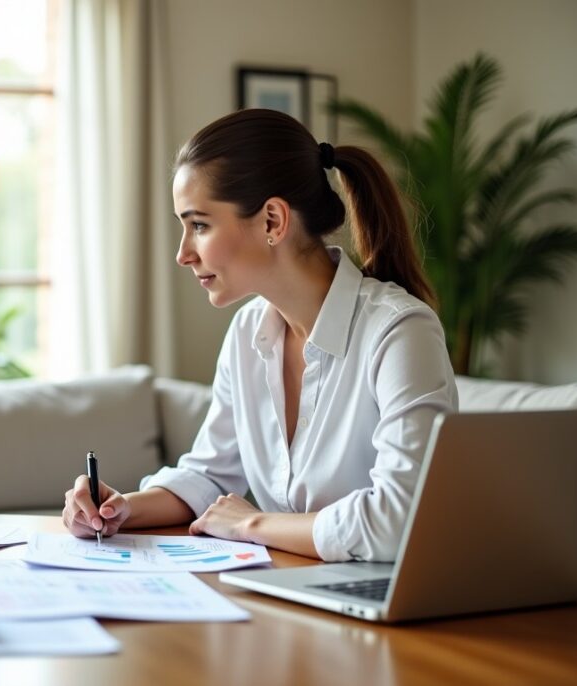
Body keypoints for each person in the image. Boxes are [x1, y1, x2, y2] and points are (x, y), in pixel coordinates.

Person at [62, 108, 458, 563]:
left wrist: (251, 524)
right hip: (288, 592)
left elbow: (399, 520)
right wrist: (120, 509)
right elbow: (210, 474)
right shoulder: (249, 331)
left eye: (200, 225)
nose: (183, 254)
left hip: (381, 609)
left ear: (272, 220)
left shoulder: (399, 332)